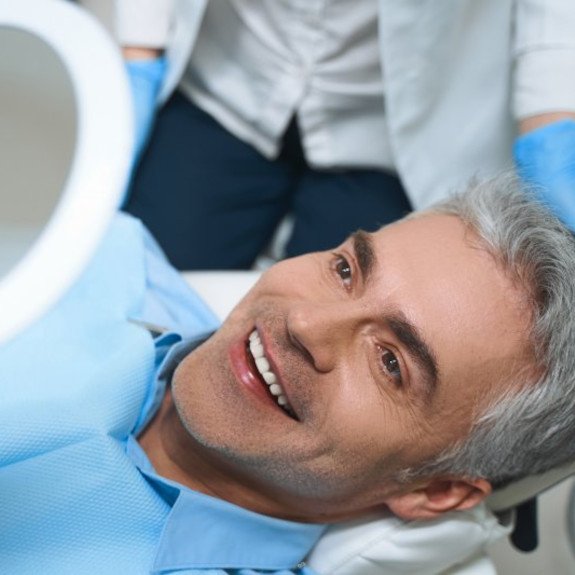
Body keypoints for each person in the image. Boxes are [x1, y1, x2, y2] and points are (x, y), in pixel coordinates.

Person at [2, 175, 575, 573]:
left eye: (390, 362)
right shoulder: (102, 256)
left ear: (436, 490)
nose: (304, 321)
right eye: (346, 269)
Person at [81, 0, 575, 269]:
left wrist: (553, 108)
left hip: (392, 127)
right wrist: (138, 48)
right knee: (136, 288)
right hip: (228, 76)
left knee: (335, 353)